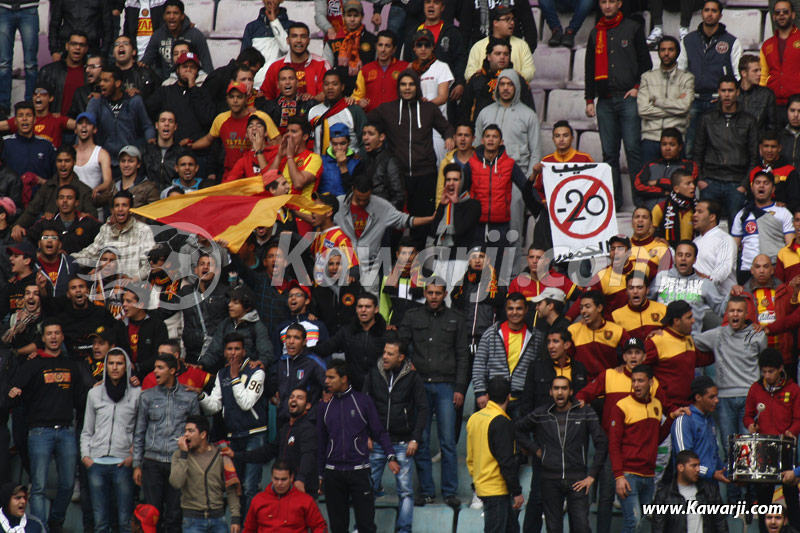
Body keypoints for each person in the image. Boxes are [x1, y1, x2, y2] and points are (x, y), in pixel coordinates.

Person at [398, 281, 468, 508]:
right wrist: (408, 370)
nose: (434, 296)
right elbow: (401, 347)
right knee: (421, 439)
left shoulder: (456, 319)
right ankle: (427, 491)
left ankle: (449, 493)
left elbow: (462, 356)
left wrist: (460, 388)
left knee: (448, 442)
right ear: (425, 293)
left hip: (447, 386)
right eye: (430, 292)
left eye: (438, 293)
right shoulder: (412, 316)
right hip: (418, 386)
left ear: (445, 294)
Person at [7, 319, 82, 532]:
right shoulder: (33, 364)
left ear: (62, 336)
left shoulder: (71, 365)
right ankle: (40, 528)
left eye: (57, 333)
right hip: (39, 431)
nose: (53, 337)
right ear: (44, 337)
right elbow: (13, 392)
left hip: (67, 430)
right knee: (38, 487)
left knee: (68, 485)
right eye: (49, 333)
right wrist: (14, 392)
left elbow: (80, 399)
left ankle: (55, 522)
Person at [367, 69, 453, 246]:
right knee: (394, 224)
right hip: (398, 177)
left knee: (421, 224)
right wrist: (355, 104)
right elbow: (365, 121)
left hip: (425, 175)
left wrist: (449, 138)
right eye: (403, 84)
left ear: (417, 87)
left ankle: (418, 266)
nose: (407, 88)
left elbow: (446, 128)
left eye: (411, 84)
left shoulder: (429, 108)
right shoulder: (387, 109)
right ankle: (392, 264)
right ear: (398, 87)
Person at [515, 375, 607, 533]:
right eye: (556, 388)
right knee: (554, 528)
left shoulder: (585, 412)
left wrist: (592, 475)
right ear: (550, 392)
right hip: (550, 480)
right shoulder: (541, 413)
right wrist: (535, 450)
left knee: (582, 528)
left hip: (577, 479)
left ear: (571, 391)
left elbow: (602, 443)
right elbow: (516, 429)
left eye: (564, 388)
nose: (560, 392)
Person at [317, 359, 399, 533]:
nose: (327, 381)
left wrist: (390, 456)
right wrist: (319, 474)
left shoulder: (363, 402)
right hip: (333, 474)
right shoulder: (324, 406)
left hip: (359, 472)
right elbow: (321, 442)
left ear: (344, 378)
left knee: (366, 526)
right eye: (326, 377)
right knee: (338, 527)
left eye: (331, 377)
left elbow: (379, 432)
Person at [585, 0, 652, 208]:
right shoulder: (596, 33)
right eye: (603, 2)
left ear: (619, 3)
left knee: (633, 150)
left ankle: (640, 201)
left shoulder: (633, 28)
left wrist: (637, 87)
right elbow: (589, 68)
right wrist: (589, 99)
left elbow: (646, 62)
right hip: (604, 101)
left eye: (611, 1)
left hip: (627, 98)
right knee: (609, 154)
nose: (607, 6)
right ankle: (614, 201)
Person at [198, 330, 267, 515]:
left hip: (255, 435)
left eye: (237, 349)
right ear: (224, 352)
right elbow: (213, 407)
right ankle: (238, 525)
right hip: (233, 437)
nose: (233, 353)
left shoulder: (257, 371)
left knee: (250, 486)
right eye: (229, 349)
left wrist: (235, 377)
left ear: (244, 352)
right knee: (235, 488)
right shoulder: (222, 374)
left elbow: (246, 403)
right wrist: (200, 395)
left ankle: (250, 528)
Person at [363, 338, 427, 533]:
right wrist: (365, 434)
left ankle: (403, 530)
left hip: (402, 442)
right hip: (377, 442)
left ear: (401, 357)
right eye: (384, 352)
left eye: (390, 354)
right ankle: (363, 528)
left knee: (406, 492)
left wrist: (415, 438)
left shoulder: (413, 377)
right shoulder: (374, 373)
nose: (385, 356)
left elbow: (423, 408)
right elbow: (364, 405)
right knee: (367, 491)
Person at [133, 353, 201, 533]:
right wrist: (136, 465)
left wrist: (190, 461)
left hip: (177, 462)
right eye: (155, 367)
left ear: (172, 370)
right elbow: (139, 432)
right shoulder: (146, 397)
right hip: (152, 462)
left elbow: (196, 435)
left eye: (160, 368)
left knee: (174, 515)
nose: (155, 371)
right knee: (151, 516)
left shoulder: (189, 397)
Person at [81, 347, 140, 533]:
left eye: (119, 363)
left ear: (126, 367)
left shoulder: (137, 394)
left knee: (124, 521)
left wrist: (133, 456)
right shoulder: (94, 394)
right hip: (96, 462)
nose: (115, 367)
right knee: (100, 522)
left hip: (123, 462)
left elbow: (140, 430)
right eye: (111, 363)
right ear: (105, 366)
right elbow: (86, 430)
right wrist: (86, 457)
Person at [608, 364, 669, 533]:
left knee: (639, 522)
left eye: (640, 381)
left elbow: (658, 439)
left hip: (649, 476)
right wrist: (619, 475)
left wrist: (671, 419)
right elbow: (613, 444)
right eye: (633, 381)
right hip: (628, 475)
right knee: (632, 522)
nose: (636, 385)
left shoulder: (657, 405)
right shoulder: (621, 406)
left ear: (651, 382)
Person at [744, 348, 800, 531]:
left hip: (786, 449)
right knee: (764, 498)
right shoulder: (755, 389)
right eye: (764, 371)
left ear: (780, 369)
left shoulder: (793, 389)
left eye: (771, 371)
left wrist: (791, 431)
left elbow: (798, 419)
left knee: (791, 494)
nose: (766, 375)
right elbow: (748, 416)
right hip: (763, 450)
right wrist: (750, 425)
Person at [224, 388, 318, 495]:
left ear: (308, 406)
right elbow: (267, 452)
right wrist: (236, 455)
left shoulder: (308, 430)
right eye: (291, 397)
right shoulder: (285, 429)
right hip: (284, 489)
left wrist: (301, 479)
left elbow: (308, 456)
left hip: (303, 490)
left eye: (299, 398)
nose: (294, 400)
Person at [678, 0, 743, 155]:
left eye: (714, 11)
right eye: (706, 10)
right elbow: (681, 71)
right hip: (694, 100)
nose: (709, 14)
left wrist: (725, 96)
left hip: (719, 101)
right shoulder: (688, 40)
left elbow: (738, 75)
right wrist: (685, 95)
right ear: (702, 13)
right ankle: (689, 178)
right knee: (690, 145)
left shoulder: (731, 41)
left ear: (720, 15)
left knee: (718, 145)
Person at [463, 124, 540, 248]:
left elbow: (525, 187)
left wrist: (540, 202)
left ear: (501, 142)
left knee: (499, 265)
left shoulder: (509, 164)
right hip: (476, 224)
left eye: (495, 137)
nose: (491, 139)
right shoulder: (471, 163)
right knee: (475, 265)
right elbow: (461, 191)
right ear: (482, 140)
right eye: (488, 136)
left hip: (500, 225)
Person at [466, 377, 523, 533]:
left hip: (483, 486)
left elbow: (470, 457)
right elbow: (507, 462)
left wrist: (478, 479)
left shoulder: (474, 418)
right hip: (497, 490)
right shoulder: (502, 422)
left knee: (512, 529)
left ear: (488, 396)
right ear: (509, 397)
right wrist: (516, 492)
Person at [188, 81, 278, 181]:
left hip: (256, 174)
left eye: (239, 97)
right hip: (230, 174)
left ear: (246, 99)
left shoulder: (259, 118)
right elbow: (208, 139)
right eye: (232, 97)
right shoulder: (221, 119)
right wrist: (191, 146)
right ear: (226, 99)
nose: (235, 101)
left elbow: (278, 141)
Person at [169, 415, 241, 533]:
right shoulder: (179, 455)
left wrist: (235, 518)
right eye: (185, 431)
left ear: (203, 435)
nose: (186, 434)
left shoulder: (221, 454)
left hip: (218, 519)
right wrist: (183, 455)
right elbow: (176, 483)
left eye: (191, 431)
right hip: (192, 520)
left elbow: (231, 487)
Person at [473, 292, 542, 413]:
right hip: (494, 399)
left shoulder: (536, 336)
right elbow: (479, 364)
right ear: (505, 309)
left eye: (519, 308)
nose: (514, 312)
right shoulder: (491, 333)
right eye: (511, 308)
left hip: (523, 400)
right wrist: (480, 393)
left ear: (526, 310)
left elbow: (539, 370)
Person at [637, 37, 695, 168]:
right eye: (663, 50)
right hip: (650, 138)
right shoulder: (647, 77)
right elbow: (643, 110)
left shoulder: (687, 78)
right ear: (658, 52)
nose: (666, 53)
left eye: (670, 50)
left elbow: (684, 107)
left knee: (676, 184)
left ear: (677, 52)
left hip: (676, 139)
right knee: (649, 183)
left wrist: (657, 102)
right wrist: (674, 109)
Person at [72, 190, 156, 280]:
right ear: (112, 210)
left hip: (134, 288)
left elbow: (149, 263)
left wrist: (133, 280)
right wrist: (67, 259)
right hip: (107, 285)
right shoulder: (106, 229)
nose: (120, 209)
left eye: (124, 205)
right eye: (117, 206)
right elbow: (90, 255)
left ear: (131, 210)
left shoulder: (143, 230)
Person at [86, 65, 157, 171]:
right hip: (104, 162)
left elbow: (147, 126)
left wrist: (150, 143)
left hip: (128, 161)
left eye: (106, 80)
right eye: (100, 80)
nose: (101, 84)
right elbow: (87, 125)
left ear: (117, 83)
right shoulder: (96, 102)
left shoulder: (134, 101)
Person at [11, 146, 94, 236]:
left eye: (67, 161)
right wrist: (18, 225)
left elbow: (92, 217)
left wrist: (82, 216)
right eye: (59, 161)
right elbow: (31, 210)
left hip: (74, 236)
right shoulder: (47, 187)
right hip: (48, 237)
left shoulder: (84, 190)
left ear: (74, 162)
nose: (63, 165)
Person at [650, 241, 726, 334]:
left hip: (691, 340)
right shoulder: (661, 276)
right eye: (680, 255)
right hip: (663, 337)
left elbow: (722, 310)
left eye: (688, 255)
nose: (683, 259)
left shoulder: (704, 283)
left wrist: (732, 295)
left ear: (694, 260)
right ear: (674, 258)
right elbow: (648, 302)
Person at [197, 285, 273, 374]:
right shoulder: (225, 324)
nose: (230, 305)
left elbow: (267, 353)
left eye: (235, 303)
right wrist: (201, 365)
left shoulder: (257, 327)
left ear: (247, 307)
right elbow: (214, 350)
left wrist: (261, 362)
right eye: (230, 301)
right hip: (227, 374)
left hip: (249, 374)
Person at [733, 171, 794, 279]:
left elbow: (790, 247)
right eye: (758, 182)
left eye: (766, 183)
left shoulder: (783, 213)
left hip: (774, 268)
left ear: (773, 189)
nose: (761, 185)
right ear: (752, 188)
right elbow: (733, 248)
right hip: (748, 269)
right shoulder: (742, 214)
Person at [650, 450, 729, 533]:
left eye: (699, 465)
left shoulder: (710, 490)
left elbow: (721, 523)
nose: (698, 469)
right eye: (694, 466)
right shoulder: (664, 496)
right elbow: (658, 529)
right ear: (680, 467)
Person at [670, 376, 728, 487]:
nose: (717, 400)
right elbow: (684, 460)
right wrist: (711, 473)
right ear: (698, 397)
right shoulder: (684, 420)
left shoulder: (709, 420)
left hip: (711, 487)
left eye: (716, 396)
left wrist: (728, 475)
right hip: (690, 489)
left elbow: (714, 456)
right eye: (711, 397)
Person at [243, 460, 327, 533]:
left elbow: (320, 527)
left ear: (291, 478)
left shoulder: (305, 501)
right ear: (271, 478)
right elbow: (248, 530)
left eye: (283, 479)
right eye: (276, 479)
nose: (279, 483)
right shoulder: (258, 500)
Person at [140, 0, 213, 79]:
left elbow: (207, 65)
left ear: (182, 16)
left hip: (191, 81)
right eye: (168, 13)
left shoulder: (195, 35)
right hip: (166, 83)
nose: (171, 17)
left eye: (176, 13)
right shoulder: (157, 35)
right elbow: (146, 60)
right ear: (164, 16)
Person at [568, 290, 630, 382]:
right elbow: (566, 359)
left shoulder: (617, 330)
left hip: (608, 383)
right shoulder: (572, 330)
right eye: (581, 308)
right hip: (580, 384)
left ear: (599, 308)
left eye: (587, 307)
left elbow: (634, 351)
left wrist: (625, 366)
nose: (583, 311)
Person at [260, 22, 331, 101]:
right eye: (294, 36)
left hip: (315, 112)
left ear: (308, 40)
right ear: (288, 40)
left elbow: (328, 92)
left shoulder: (322, 64)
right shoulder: (275, 66)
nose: (298, 40)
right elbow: (266, 95)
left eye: (303, 36)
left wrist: (310, 102)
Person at [463, 6, 535, 83]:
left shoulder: (522, 45)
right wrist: (479, 75)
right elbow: (468, 72)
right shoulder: (478, 46)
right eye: (507, 19)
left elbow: (530, 70)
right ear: (495, 23)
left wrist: (518, 75)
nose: (512, 22)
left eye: (513, 19)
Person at [322, 0, 376, 96]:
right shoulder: (333, 42)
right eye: (349, 15)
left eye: (356, 16)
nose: (352, 19)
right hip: (339, 97)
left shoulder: (373, 40)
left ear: (362, 17)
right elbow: (326, 72)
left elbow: (377, 69)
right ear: (343, 17)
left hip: (366, 93)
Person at [0, 80, 75, 148]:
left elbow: (80, 125)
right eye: (35, 93)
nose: (38, 95)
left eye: (43, 93)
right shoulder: (23, 120)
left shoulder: (57, 119)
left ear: (51, 98)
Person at [351, 30, 408, 112]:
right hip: (371, 119)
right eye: (380, 45)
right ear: (375, 46)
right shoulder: (365, 70)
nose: (383, 49)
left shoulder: (404, 68)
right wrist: (359, 102)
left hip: (396, 119)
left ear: (394, 49)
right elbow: (356, 96)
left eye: (387, 46)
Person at [428, 163, 481, 249]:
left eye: (455, 180)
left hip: (462, 255)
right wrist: (441, 206)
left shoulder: (473, 205)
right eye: (448, 180)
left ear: (462, 181)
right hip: (441, 255)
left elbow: (460, 230)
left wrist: (456, 203)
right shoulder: (444, 204)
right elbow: (433, 231)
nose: (451, 183)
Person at [760, 2, 799, 119]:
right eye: (777, 12)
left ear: (793, 15)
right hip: (774, 105)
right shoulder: (767, 45)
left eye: (785, 12)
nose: (781, 15)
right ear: (773, 17)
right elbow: (763, 76)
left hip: (798, 104)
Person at [0, 0, 39, 117]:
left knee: (30, 64)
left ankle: (30, 103)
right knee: (4, 63)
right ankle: (3, 105)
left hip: (29, 7)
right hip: (4, 7)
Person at [1, 102, 55, 184]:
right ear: (15, 121)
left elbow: (55, 179)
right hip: (12, 195)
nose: (24, 119)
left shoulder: (47, 145)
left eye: (28, 115)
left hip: (42, 195)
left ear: (34, 120)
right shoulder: (5, 143)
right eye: (20, 115)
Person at [37, 30, 89, 116]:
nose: (77, 47)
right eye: (73, 44)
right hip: (55, 125)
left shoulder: (90, 73)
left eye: (82, 45)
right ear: (67, 46)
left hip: (81, 124)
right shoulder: (48, 71)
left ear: (86, 49)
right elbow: (37, 101)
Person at [241, 0, 290, 88]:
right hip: (254, 86)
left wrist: (274, 21)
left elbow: (286, 48)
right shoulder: (252, 27)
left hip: (278, 87)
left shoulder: (290, 26)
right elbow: (244, 58)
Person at [693, 200, 738, 295]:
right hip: (698, 300)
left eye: (699, 212)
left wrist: (706, 283)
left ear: (712, 217)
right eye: (695, 211)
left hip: (720, 301)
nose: (694, 215)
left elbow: (723, 268)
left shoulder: (725, 239)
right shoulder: (694, 242)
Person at [749, 131, 800, 214]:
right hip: (757, 216)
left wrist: (784, 209)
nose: (769, 150)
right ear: (760, 148)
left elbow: (795, 199)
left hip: (782, 218)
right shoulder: (754, 172)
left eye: (773, 147)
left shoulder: (789, 171)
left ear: (779, 148)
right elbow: (750, 198)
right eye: (766, 146)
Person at [360, 121, 405, 210]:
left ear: (381, 137)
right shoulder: (366, 161)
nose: (365, 137)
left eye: (370, 134)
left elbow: (399, 196)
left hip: (383, 216)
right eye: (364, 134)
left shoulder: (390, 161)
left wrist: (383, 215)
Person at [257, 66, 315, 134]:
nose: (287, 82)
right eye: (283, 79)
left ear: (297, 83)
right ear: (278, 85)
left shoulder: (309, 104)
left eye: (291, 78)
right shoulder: (268, 107)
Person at [612, 272, 667, 340]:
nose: (635, 291)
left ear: (647, 290)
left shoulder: (663, 309)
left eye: (640, 287)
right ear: (626, 291)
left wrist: (663, 333)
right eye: (631, 288)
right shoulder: (616, 316)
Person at [72, 112, 113, 205]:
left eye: (88, 123)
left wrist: (97, 189)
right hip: (71, 205)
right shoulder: (69, 152)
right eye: (80, 123)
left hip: (92, 204)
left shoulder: (102, 153)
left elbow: (108, 181)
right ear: (75, 129)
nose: (84, 126)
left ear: (94, 129)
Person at [652, 169, 696, 248]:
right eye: (688, 183)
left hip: (691, 254)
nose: (693, 186)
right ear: (676, 189)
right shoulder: (661, 207)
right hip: (667, 253)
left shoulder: (697, 208)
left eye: (693, 183)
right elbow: (649, 233)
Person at [112, 36, 161, 102]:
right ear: (113, 54)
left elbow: (156, 101)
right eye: (117, 44)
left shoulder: (147, 74)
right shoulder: (107, 75)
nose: (121, 45)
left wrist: (140, 96)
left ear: (133, 52)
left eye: (125, 43)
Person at [739, 55, 778, 134]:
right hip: (736, 142)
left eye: (760, 70)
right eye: (755, 71)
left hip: (759, 141)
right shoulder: (733, 92)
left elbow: (772, 125)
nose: (760, 74)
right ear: (743, 73)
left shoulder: (767, 94)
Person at [68, 53, 104, 119]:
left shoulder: (110, 90)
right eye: (86, 67)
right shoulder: (80, 92)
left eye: (92, 67)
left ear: (103, 68)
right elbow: (72, 118)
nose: (87, 70)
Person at [782, 95, 800, 169]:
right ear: (787, 111)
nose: (796, 115)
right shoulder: (778, 136)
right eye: (792, 110)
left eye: (799, 111)